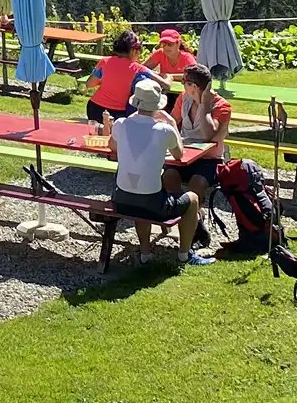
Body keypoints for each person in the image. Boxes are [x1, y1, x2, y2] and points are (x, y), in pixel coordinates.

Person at [109, 80, 213, 266]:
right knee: (192, 199)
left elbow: (112, 146)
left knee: (141, 193)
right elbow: (179, 154)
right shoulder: (164, 130)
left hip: (121, 199)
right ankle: (184, 254)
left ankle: (145, 253)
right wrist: (172, 123)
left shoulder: (121, 124)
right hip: (151, 203)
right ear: (158, 105)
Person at [170, 64, 231, 204]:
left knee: (196, 184)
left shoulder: (222, 106)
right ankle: (175, 212)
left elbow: (207, 135)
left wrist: (204, 106)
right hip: (184, 156)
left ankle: (195, 216)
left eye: (184, 82)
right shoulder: (183, 98)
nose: (182, 85)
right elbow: (173, 121)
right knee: (168, 177)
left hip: (209, 160)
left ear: (194, 86)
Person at [86, 29, 159, 124]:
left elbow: (89, 84)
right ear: (133, 51)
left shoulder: (105, 62)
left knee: (97, 136)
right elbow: (164, 83)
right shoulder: (139, 69)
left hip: (95, 108)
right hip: (118, 114)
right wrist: (169, 77)